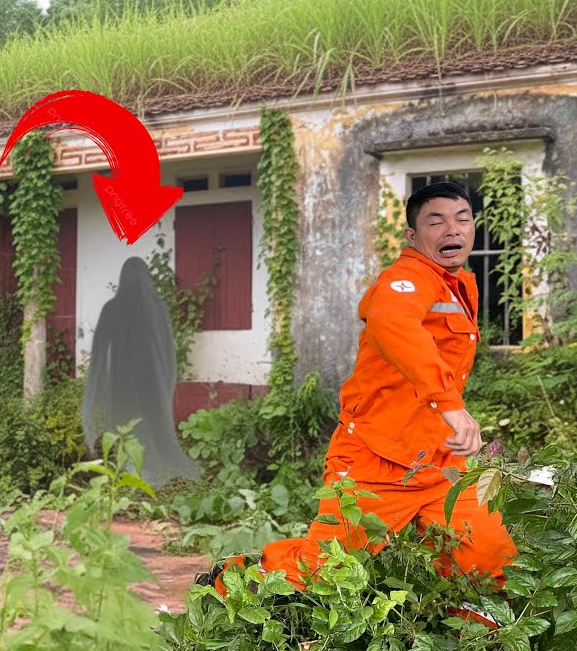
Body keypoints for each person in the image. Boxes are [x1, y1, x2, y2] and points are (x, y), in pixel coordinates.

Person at [215, 182, 518, 606]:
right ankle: (234, 580)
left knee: (490, 559)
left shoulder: (458, 283)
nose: (453, 229)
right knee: (325, 572)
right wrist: (450, 406)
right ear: (413, 237)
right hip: (376, 459)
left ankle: (483, 648)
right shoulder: (406, 279)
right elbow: (394, 324)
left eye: (462, 219)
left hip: (439, 462)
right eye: (437, 221)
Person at [83, 257, 200, 486]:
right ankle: (148, 473)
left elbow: (99, 355)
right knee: (150, 423)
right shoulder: (157, 308)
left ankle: (134, 472)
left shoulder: (113, 309)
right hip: (152, 381)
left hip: (122, 383)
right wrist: (166, 381)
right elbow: (168, 351)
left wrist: (100, 385)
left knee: (127, 425)